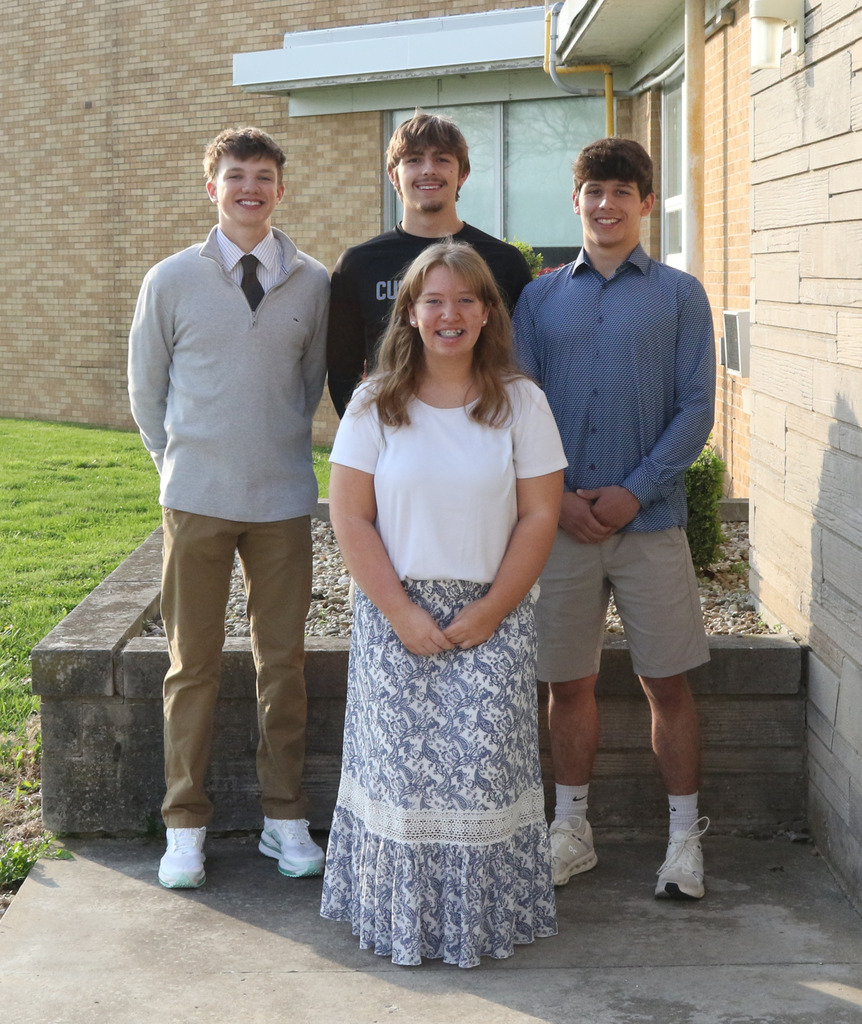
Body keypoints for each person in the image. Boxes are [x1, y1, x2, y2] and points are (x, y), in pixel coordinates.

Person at [320, 241, 566, 967]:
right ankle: (404, 925)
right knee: (400, 780)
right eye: (434, 300)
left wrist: (490, 612)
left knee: (483, 775)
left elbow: (540, 518)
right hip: (396, 616)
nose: (450, 314)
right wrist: (401, 612)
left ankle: (474, 926)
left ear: (489, 312)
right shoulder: (374, 403)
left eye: (466, 300)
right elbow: (350, 518)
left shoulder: (522, 402)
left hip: (494, 614)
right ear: (411, 312)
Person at [513, 137, 715, 900]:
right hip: (559, 526)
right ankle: (571, 831)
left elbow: (696, 407)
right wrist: (557, 496)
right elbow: (520, 403)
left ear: (644, 203)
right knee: (568, 684)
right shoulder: (538, 299)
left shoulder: (678, 294)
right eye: (594, 190)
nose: (606, 204)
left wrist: (636, 488)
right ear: (577, 201)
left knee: (667, 683)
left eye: (622, 192)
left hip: (650, 521)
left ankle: (684, 840)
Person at [127, 126, 330, 889]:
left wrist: (266, 447)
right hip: (196, 501)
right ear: (211, 188)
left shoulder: (311, 282)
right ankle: (185, 823)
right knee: (192, 667)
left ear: (281, 189)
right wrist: (178, 461)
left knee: (283, 663)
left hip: (282, 500)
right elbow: (147, 393)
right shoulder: (170, 279)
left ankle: (284, 817)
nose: (251, 187)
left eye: (265, 176)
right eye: (236, 175)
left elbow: (308, 388)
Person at [325, 111, 533, 418]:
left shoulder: (503, 263)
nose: (428, 170)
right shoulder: (358, 265)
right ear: (393, 174)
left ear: (462, 173)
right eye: (413, 160)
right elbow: (343, 373)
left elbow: (520, 360)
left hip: (483, 433)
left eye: (442, 159)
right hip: (392, 438)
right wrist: (371, 437)